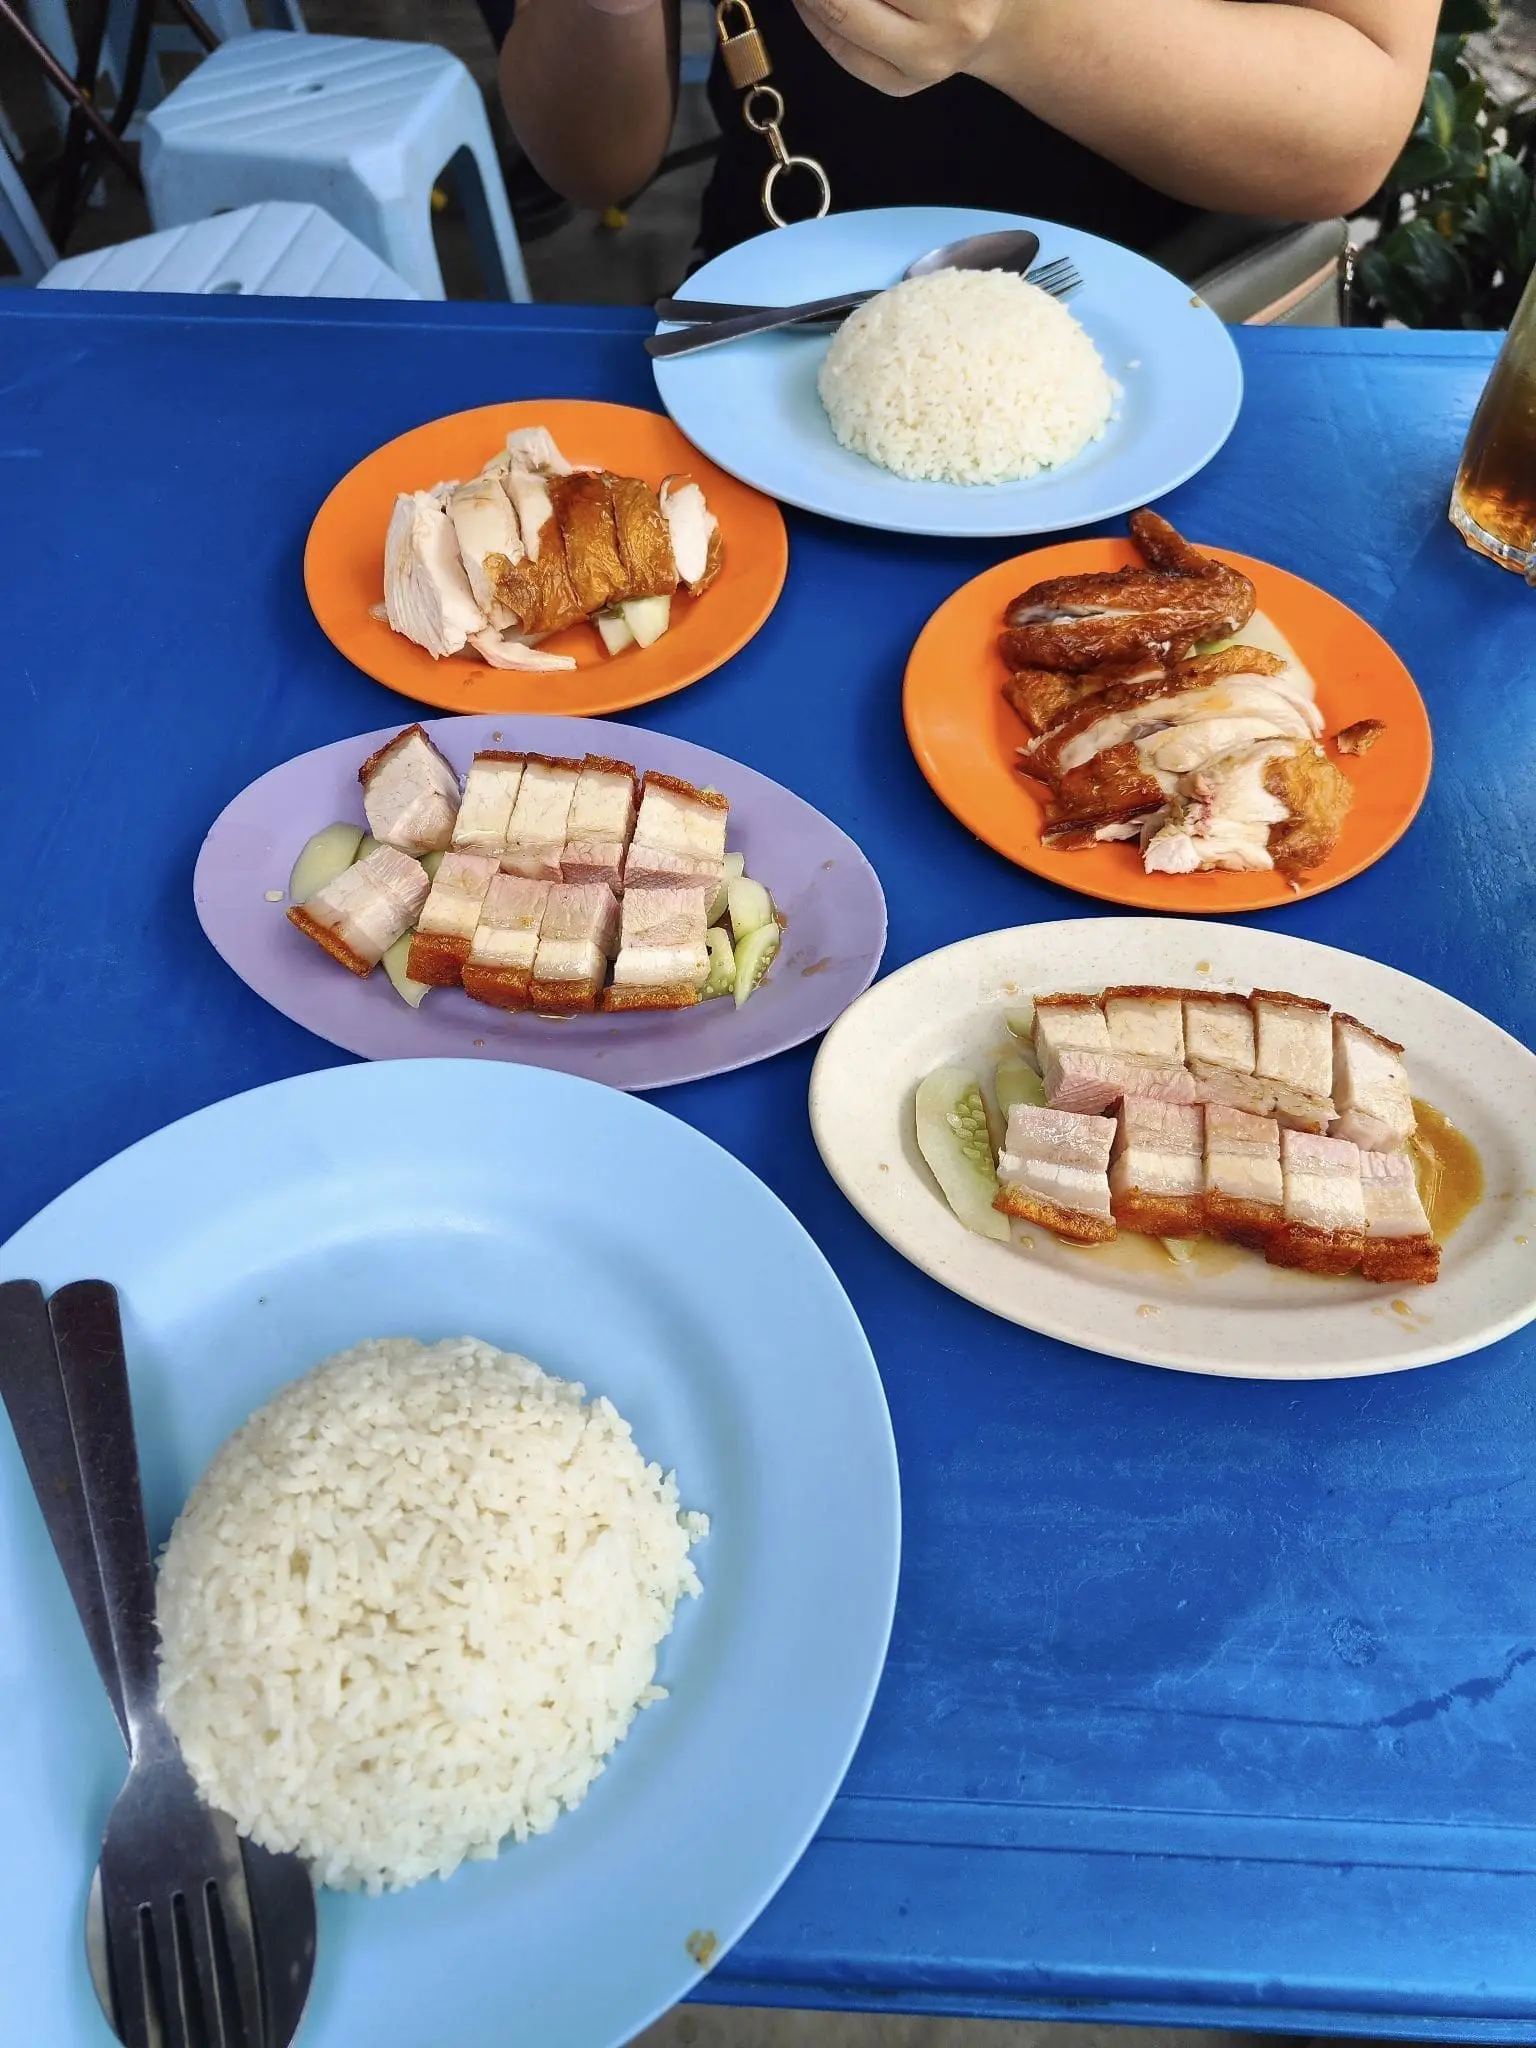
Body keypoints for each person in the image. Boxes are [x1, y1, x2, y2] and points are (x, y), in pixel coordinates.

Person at [498, 0, 1438, 270]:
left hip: (1179, 322)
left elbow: (1351, 131)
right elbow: (591, 165)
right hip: (782, 304)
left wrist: (1024, 28)